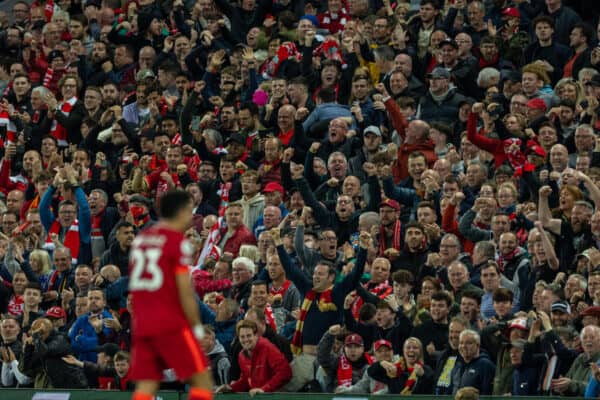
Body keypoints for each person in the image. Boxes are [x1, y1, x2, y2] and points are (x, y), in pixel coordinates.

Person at [128, 190, 213, 400]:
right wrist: (197, 328)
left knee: (146, 386)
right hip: (169, 323)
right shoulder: (177, 242)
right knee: (202, 380)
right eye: (190, 210)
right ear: (183, 211)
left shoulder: (141, 239)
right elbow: (185, 293)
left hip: (142, 323)